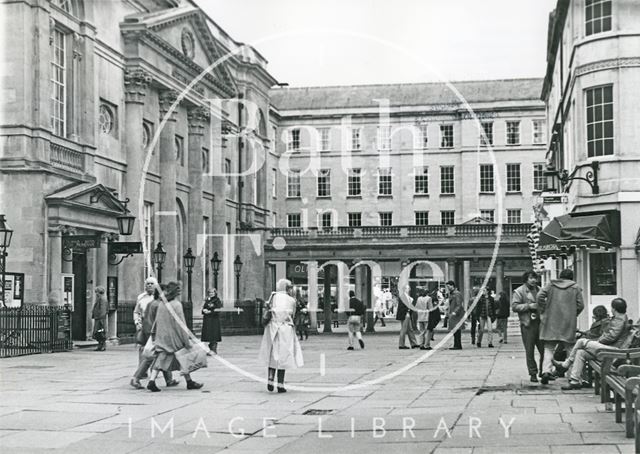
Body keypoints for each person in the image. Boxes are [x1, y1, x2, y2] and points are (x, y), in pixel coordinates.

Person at [554, 298, 629, 390]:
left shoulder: (619, 320)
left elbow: (611, 337)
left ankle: (565, 365)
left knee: (581, 342)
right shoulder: (620, 319)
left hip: (612, 351)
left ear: (614, 308)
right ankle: (575, 381)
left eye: (612, 308)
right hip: (610, 348)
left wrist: (597, 341)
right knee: (581, 352)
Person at [146, 281, 203, 392]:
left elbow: (156, 321)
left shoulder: (162, 303)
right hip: (174, 337)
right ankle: (189, 382)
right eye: (178, 289)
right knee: (183, 358)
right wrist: (186, 340)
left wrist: (154, 334)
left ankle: (152, 381)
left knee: (160, 359)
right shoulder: (177, 305)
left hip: (162, 336)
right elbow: (181, 324)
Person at [537, 268, 584, 384]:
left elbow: (539, 296)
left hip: (551, 320)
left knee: (548, 348)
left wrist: (543, 310)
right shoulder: (575, 287)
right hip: (568, 322)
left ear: (560, 276)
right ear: (571, 277)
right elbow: (581, 305)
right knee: (570, 348)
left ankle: (546, 371)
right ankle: (572, 376)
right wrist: (573, 313)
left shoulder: (551, 285)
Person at [258, 279, 304, 392]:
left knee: (272, 354)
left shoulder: (273, 297)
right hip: (286, 329)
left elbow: (267, 309)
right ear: (288, 288)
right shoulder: (292, 300)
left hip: (272, 327)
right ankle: (280, 384)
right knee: (284, 355)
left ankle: (270, 378)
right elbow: (292, 315)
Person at [130, 284, 178, 389]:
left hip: (151, 333)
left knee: (163, 356)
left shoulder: (152, 303)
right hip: (156, 334)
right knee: (150, 358)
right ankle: (135, 378)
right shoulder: (159, 305)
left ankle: (169, 380)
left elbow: (147, 320)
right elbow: (159, 322)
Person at [512, 270, 544, 382]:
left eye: (535, 278)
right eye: (531, 278)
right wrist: (528, 306)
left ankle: (543, 371)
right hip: (528, 324)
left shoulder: (540, 290)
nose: (534, 280)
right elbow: (515, 306)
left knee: (544, 350)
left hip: (541, 323)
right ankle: (533, 373)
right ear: (526, 279)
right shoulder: (519, 291)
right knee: (529, 350)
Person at [134, 277, 158, 372]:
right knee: (142, 348)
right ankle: (142, 371)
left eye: (152, 283)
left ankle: (153, 370)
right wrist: (137, 322)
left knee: (156, 349)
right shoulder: (141, 297)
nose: (149, 285)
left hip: (155, 325)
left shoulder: (157, 298)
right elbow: (136, 311)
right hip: (145, 325)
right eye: (148, 283)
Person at [201, 288, 222, 354]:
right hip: (207, 320)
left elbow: (218, 309)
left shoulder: (217, 300)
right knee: (209, 334)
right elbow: (204, 307)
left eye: (212, 292)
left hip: (214, 320)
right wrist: (204, 311)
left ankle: (213, 349)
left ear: (215, 293)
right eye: (210, 292)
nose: (211, 294)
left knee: (214, 334)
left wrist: (210, 311)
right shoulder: (207, 300)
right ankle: (210, 349)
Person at [398, 285, 419, 349]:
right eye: (407, 288)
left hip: (407, 313)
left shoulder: (406, 296)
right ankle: (401, 344)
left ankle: (414, 343)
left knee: (410, 329)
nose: (409, 289)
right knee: (403, 330)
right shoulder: (403, 296)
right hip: (405, 314)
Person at [446, 280, 464, 350]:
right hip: (453, 314)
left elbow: (459, 304)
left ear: (452, 285)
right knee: (455, 330)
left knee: (456, 330)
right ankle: (457, 344)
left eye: (449, 286)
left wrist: (454, 312)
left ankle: (457, 345)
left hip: (456, 315)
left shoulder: (456, 294)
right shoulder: (453, 293)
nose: (448, 288)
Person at [92, 286, 109, 351]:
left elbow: (103, 310)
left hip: (100, 319)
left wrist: (100, 318)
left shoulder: (102, 299)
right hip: (99, 318)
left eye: (96, 292)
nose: (96, 294)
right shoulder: (100, 299)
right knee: (99, 333)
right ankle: (100, 345)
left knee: (100, 332)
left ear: (99, 292)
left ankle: (102, 346)